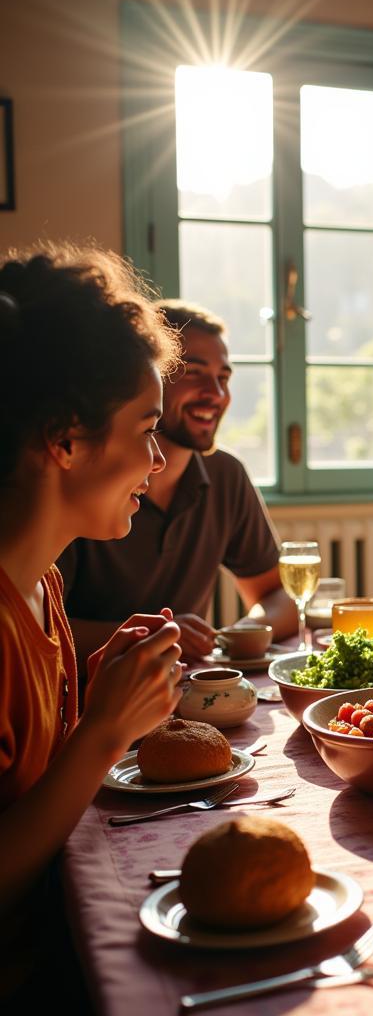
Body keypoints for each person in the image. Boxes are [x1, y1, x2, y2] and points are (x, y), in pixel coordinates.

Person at [0, 244, 182, 997]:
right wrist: (105, 735)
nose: (158, 460)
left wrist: (108, 701)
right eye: (145, 429)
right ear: (66, 439)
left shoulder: (41, 585)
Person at [59, 300, 296, 664]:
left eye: (224, 378)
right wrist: (153, 636)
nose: (216, 394)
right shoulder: (88, 480)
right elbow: (38, 629)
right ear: (149, 378)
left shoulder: (225, 474)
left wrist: (236, 635)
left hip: (184, 693)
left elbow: (276, 596)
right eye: (194, 373)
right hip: (88, 696)